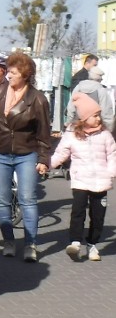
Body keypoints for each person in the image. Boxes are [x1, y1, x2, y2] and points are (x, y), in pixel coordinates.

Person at [0, 52, 51, 262]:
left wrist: (44, 160)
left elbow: (44, 133)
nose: (8, 76)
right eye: (8, 72)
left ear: (25, 75)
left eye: (13, 73)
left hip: (26, 154)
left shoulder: (38, 99)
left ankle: (30, 244)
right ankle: (8, 241)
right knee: (3, 200)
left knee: (27, 199)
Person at [50, 93, 116, 262]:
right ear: (84, 118)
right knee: (78, 212)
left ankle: (92, 244)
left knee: (98, 215)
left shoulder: (105, 135)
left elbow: (112, 154)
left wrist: (111, 172)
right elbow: (61, 152)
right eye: (94, 116)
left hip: (101, 181)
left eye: (99, 115)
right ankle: (75, 242)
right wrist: (48, 164)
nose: (98, 119)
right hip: (81, 180)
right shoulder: (72, 135)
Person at [69, 66, 115, 131]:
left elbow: (71, 107)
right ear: (100, 78)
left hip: (79, 126)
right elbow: (106, 112)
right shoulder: (101, 90)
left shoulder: (78, 87)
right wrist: (109, 129)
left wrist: (70, 123)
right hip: (96, 128)